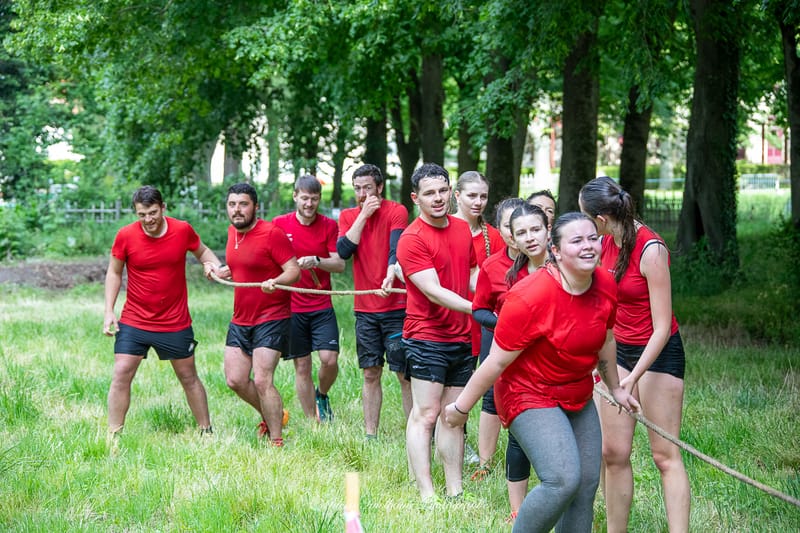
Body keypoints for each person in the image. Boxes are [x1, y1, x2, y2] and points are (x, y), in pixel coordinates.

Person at [444, 212, 640, 533]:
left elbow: (605, 339)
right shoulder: (529, 297)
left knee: (587, 482)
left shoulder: (605, 283)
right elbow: (495, 361)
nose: (588, 246)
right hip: (526, 391)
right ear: (557, 250)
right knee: (563, 479)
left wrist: (616, 388)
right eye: (577, 241)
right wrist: (460, 407)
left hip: (576, 390)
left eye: (593, 238)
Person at [579, 176, 690, 533]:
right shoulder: (603, 243)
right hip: (619, 352)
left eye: (584, 217)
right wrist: (605, 368)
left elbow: (661, 328)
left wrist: (631, 379)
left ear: (600, 218)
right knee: (613, 453)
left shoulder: (651, 249)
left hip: (657, 354)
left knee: (664, 454)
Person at [104, 185, 219, 437]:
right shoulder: (125, 235)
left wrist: (215, 267)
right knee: (121, 372)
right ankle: (113, 435)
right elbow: (114, 272)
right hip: (135, 319)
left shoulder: (182, 230)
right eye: (141, 214)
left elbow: (204, 252)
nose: (148, 220)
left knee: (188, 377)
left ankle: (206, 431)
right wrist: (109, 311)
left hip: (174, 321)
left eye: (153, 213)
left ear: (163, 208)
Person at [397, 162, 478, 500]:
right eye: (429, 193)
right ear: (416, 198)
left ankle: (455, 491)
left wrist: (502, 298)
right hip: (426, 336)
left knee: (453, 416)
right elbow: (433, 290)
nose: (438, 197)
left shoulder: (461, 229)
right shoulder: (411, 238)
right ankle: (427, 493)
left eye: (443, 190)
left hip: (461, 336)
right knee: (426, 414)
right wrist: (479, 310)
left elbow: (473, 274)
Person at [473, 203, 550, 524]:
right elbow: (479, 309)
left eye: (534, 229)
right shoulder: (498, 268)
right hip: (509, 357)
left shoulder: (561, 265)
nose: (523, 236)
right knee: (514, 429)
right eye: (515, 230)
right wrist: (504, 323)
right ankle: (517, 508)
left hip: (553, 360)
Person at [217, 182, 300, 447]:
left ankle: (276, 439)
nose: (237, 210)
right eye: (232, 204)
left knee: (263, 379)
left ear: (255, 207)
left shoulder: (271, 233)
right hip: (241, 318)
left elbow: (293, 270)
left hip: (272, 316)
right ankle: (275, 414)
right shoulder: (232, 233)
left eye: (243, 204)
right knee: (235, 380)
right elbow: (241, 264)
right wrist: (224, 272)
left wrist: (276, 280)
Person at [337, 163, 412, 438]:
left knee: (405, 374)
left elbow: (397, 249)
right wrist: (363, 216)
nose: (362, 194)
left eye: (367, 188)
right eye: (357, 188)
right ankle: (371, 434)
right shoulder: (348, 216)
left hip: (396, 307)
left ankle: (416, 433)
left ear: (379, 188)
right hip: (365, 309)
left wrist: (391, 273)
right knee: (370, 372)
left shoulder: (397, 211)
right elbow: (344, 250)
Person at [273, 175, 344, 422]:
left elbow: (339, 264)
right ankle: (314, 421)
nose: (309, 204)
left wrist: (317, 261)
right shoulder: (279, 224)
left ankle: (322, 394)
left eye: (314, 199)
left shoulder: (328, 225)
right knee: (302, 366)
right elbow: (265, 256)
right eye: (304, 198)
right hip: (291, 307)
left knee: (329, 359)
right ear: (295, 196)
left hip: (321, 304)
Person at [468, 197, 526, 479]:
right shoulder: (491, 266)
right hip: (498, 340)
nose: (515, 232)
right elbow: (478, 310)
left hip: (536, 345)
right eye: (508, 225)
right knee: (491, 398)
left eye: (520, 224)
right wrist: (502, 322)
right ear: (500, 230)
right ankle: (485, 464)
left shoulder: (546, 262)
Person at [452, 171, 506, 465]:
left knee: (482, 382)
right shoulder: (442, 228)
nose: (478, 202)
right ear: (456, 195)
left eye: (483, 196)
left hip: (482, 320)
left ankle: (480, 452)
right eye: (472, 195)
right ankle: (452, 439)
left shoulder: (494, 237)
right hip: (450, 317)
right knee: (454, 385)